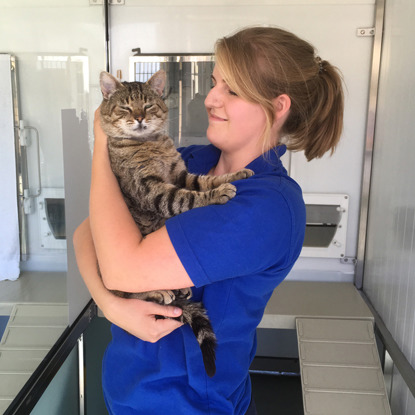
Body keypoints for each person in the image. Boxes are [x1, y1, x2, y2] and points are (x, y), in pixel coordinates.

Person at [73, 26, 344, 415]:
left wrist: (104, 140)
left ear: (277, 106)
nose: (210, 98)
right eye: (215, 82)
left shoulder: (268, 207)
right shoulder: (192, 159)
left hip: (186, 404)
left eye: (231, 91)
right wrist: (107, 306)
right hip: (126, 386)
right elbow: (87, 232)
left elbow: (120, 269)